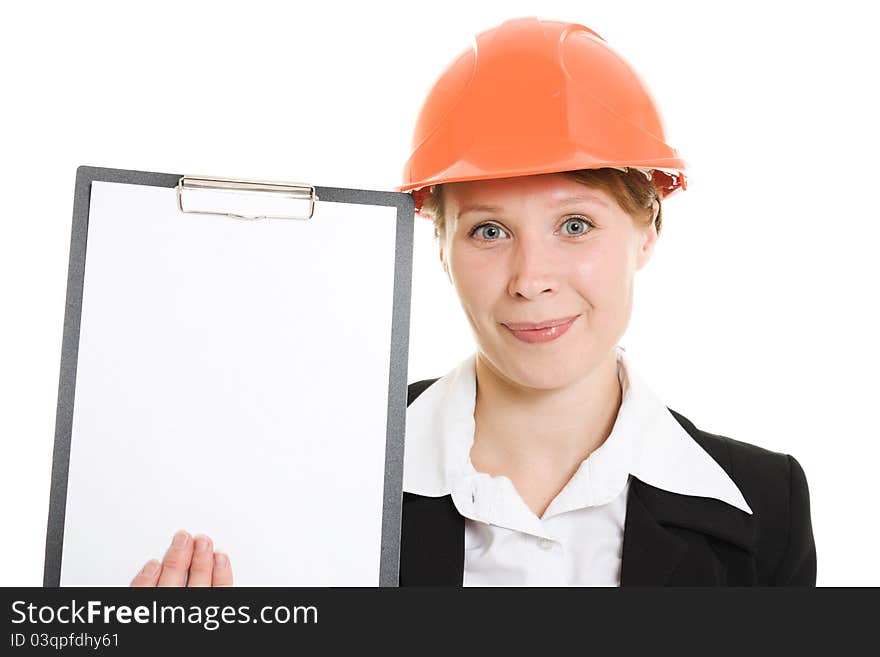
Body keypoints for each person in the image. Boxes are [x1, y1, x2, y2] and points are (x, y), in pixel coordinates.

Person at [131, 16, 816, 587]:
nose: (530, 277)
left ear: (648, 230)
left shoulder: (765, 507)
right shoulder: (323, 463)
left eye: (575, 225)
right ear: (439, 243)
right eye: (490, 230)